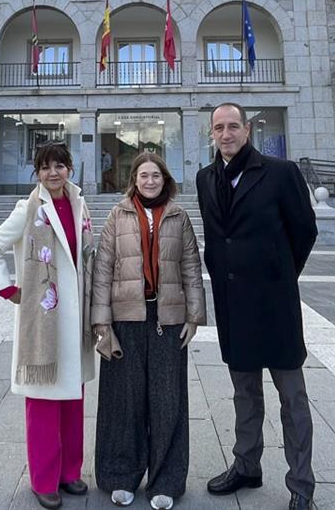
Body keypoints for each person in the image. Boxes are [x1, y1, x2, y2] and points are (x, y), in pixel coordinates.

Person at [195, 103, 319, 510]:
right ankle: (246, 464)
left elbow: (304, 230)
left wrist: (281, 274)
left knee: (292, 398)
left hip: (275, 304)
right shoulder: (205, 177)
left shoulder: (280, 172)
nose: (226, 134)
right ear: (211, 133)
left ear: (247, 130)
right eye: (219, 128)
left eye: (233, 126)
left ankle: (301, 484)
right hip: (234, 305)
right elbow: (216, 238)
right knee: (244, 394)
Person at [0, 142, 96, 509]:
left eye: (59, 166)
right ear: (37, 173)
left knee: (72, 400)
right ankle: (44, 479)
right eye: (45, 167)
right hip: (44, 320)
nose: (53, 173)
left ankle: (70, 473)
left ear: (70, 169)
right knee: (44, 400)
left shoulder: (80, 205)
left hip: (73, 318)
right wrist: (9, 289)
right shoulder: (28, 208)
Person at [91, 153, 206, 509]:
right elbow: (102, 270)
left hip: (166, 320)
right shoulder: (117, 214)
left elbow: (191, 267)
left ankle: (166, 480)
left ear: (165, 179)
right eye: (143, 175)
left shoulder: (178, 215)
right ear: (134, 179)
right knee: (122, 402)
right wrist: (101, 322)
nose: (150, 181)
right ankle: (120, 476)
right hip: (126, 318)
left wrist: (194, 317)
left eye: (156, 175)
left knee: (167, 402)